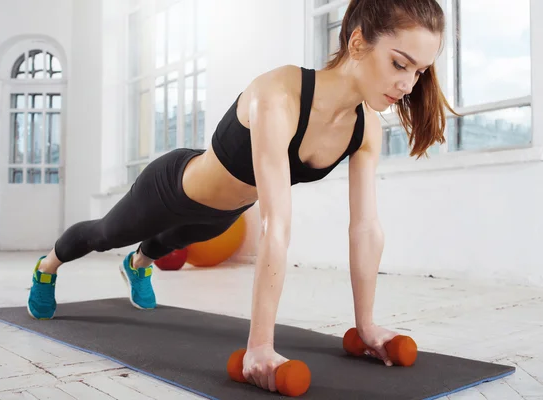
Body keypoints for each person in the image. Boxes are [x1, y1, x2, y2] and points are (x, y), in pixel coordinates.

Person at [27, 0, 455, 393]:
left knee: (168, 243)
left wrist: (366, 327)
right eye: (400, 64)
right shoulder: (280, 94)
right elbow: (276, 224)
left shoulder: (366, 129)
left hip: (225, 213)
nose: (407, 84)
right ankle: (47, 267)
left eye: (419, 73)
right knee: (107, 232)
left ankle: (139, 264)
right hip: (174, 187)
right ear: (358, 42)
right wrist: (260, 345)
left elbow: (365, 227)